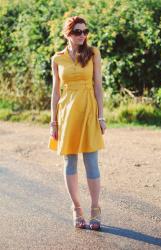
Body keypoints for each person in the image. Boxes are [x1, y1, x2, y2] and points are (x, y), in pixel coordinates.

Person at [49, 16, 106, 230]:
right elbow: (55, 91)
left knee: (91, 161)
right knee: (69, 162)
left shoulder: (93, 54)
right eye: (77, 32)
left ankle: (95, 209)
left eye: (85, 31)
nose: (82, 35)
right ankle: (76, 209)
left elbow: (98, 86)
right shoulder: (57, 58)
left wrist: (101, 116)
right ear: (67, 34)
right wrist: (53, 121)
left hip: (89, 111)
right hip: (67, 114)